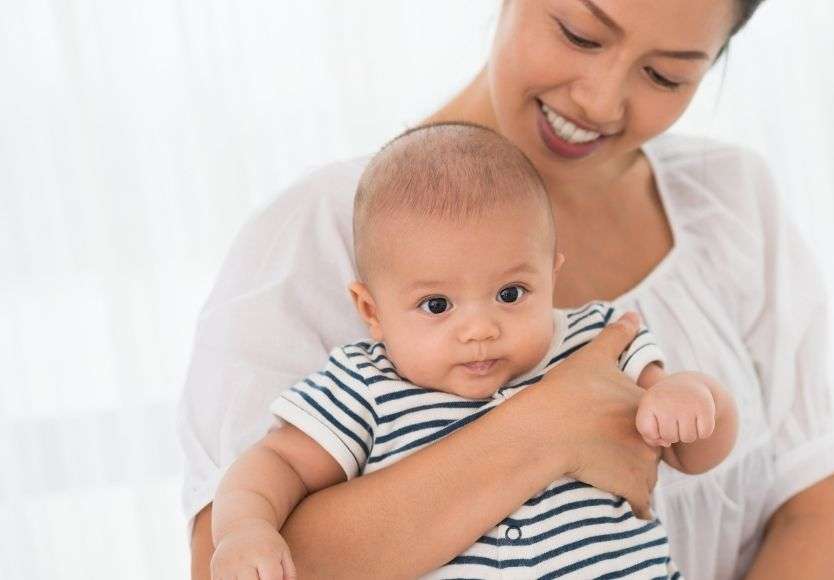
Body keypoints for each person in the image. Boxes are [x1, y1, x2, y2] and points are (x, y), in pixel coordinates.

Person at [181, 0, 834, 578]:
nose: (600, 101)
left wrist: (694, 406)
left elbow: (809, 503)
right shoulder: (321, 236)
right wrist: (547, 429)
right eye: (579, 34)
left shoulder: (726, 202)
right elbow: (235, 557)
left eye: (665, 75)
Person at [208, 122, 737, 579]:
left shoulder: (595, 341)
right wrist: (245, 528)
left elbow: (695, 454)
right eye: (437, 305)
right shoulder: (365, 385)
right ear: (372, 311)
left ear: (551, 274)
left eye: (511, 294)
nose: (480, 329)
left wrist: (692, 399)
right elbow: (278, 461)